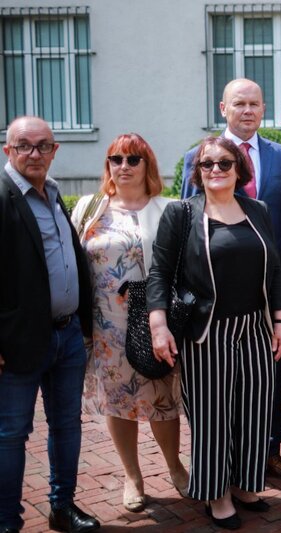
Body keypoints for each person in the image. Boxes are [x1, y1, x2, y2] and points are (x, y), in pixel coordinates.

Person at [149, 136, 281, 529]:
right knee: (212, 417)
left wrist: (280, 321)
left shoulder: (256, 210)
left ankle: (246, 484)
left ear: (239, 170)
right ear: (197, 171)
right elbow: (159, 273)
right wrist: (159, 325)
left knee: (254, 412)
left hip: (256, 328)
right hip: (207, 331)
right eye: (206, 164)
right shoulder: (183, 213)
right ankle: (216, 494)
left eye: (224, 164)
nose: (215, 170)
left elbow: (274, 268)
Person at [181, 78, 281, 480]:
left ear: (263, 109)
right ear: (223, 108)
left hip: (267, 292)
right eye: (239, 104)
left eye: (254, 103)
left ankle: (268, 451)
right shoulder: (199, 157)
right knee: (217, 389)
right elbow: (186, 226)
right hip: (213, 298)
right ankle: (223, 461)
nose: (247, 111)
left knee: (268, 377)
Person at [72, 134, 188, 513]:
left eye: (132, 159)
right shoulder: (91, 209)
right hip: (107, 324)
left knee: (162, 397)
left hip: (156, 321)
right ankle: (133, 476)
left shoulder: (169, 208)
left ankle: (174, 466)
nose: (123, 166)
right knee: (119, 402)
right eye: (115, 159)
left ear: (147, 165)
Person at [0, 116, 100, 533]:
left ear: (55, 150)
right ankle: (6, 520)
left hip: (67, 336)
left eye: (43, 146)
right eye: (24, 146)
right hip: (18, 341)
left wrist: (83, 321)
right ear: (8, 150)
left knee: (66, 426)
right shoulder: (4, 195)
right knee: (11, 434)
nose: (34, 153)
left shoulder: (55, 193)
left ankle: (63, 508)